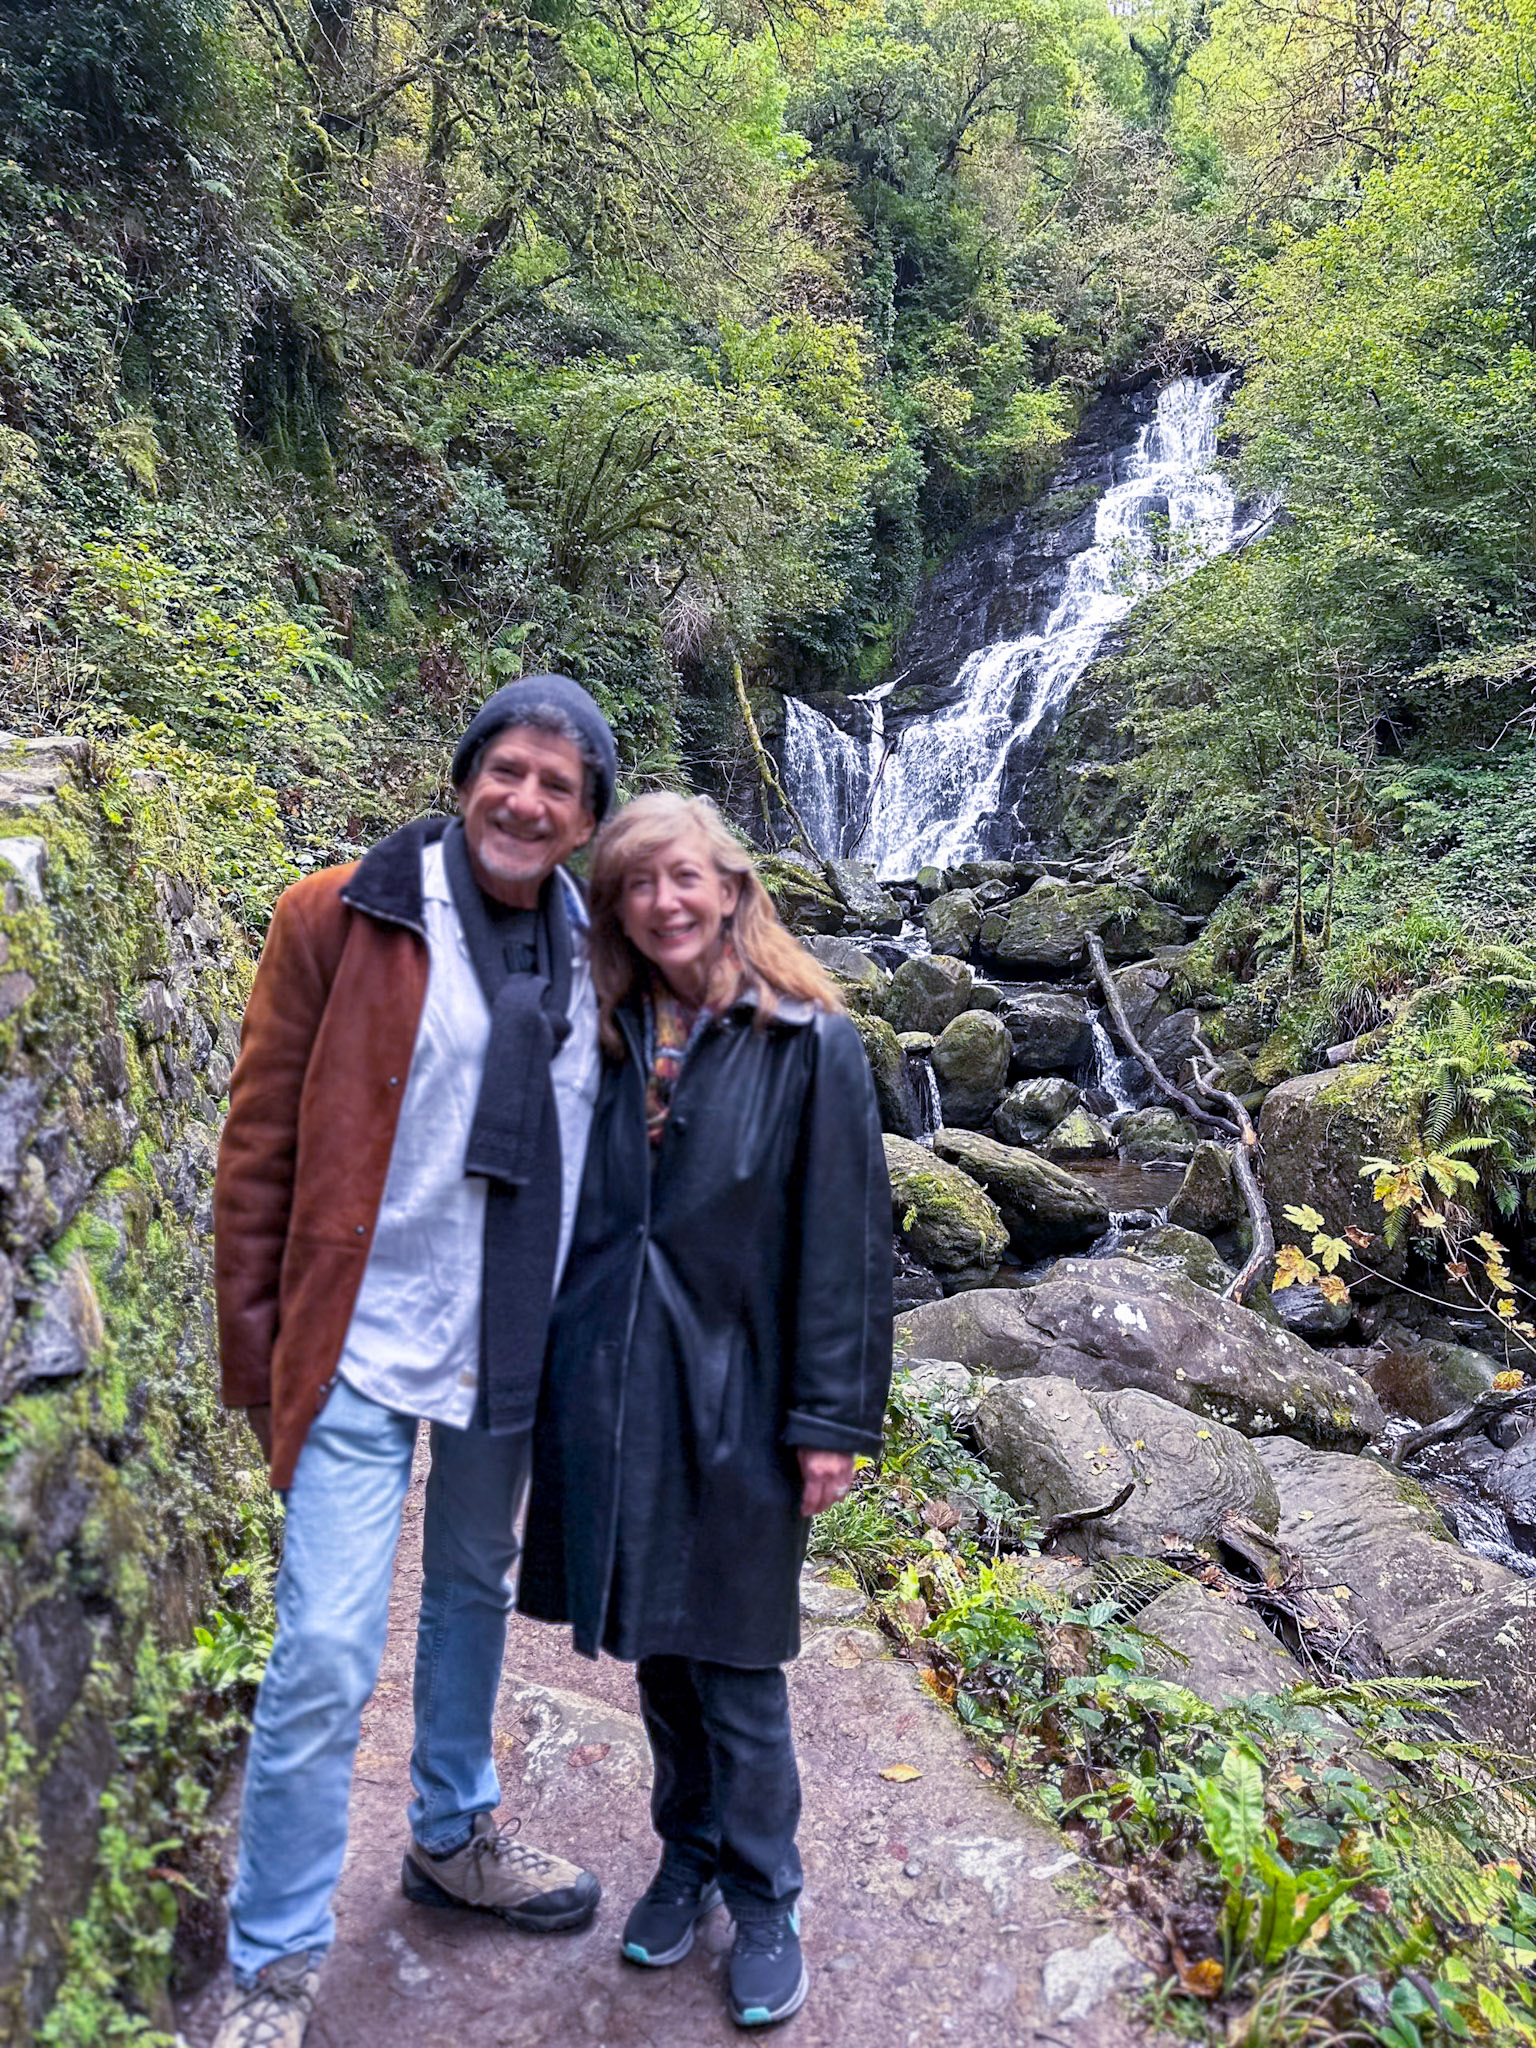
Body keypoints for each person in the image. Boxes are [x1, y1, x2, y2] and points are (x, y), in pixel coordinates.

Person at [211, 675, 619, 2048]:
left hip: (512, 1341)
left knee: (471, 1590)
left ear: (586, 823)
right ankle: (271, 1961)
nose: (527, 799)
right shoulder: (344, 913)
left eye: (559, 786)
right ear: (463, 779)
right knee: (326, 1647)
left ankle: (454, 1833)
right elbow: (260, 1141)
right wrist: (255, 1349)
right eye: (508, 769)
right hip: (362, 1340)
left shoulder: (601, 951)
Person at [518, 791, 893, 2031]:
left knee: (736, 1656)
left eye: (684, 876)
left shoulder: (811, 1040)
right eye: (638, 884)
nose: (666, 901)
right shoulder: (608, 1025)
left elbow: (844, 1248)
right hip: (617, 1379)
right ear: (618, 907)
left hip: (740, 1388)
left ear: (732, 884)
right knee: (658, 1648)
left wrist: (830, 1417)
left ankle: (765, 1889)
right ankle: (683, 1854)